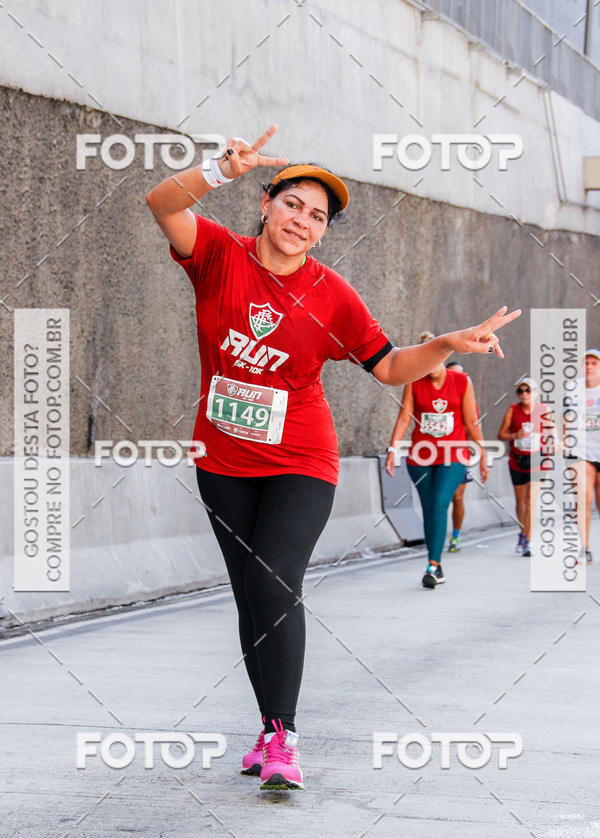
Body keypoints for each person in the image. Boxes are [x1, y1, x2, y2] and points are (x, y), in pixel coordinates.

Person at [146, 124, 520, 791]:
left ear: (321, 233)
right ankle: (267, 727)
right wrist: (217, 169)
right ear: (266, 204)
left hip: (301, 459)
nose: (303, 221)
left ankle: (285, 737)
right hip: (223, 460)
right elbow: (163, 204)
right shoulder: (218, 254)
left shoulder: (332, 295)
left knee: (273, 579)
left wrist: (448, 344)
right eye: (293, 205)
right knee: (250, 597)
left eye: (317, 217)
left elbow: (389, 366)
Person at [385, 334, 489, 588]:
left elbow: (471, 422)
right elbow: (404, 418)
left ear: (443, 356)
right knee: (430, 507)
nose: (426, 365)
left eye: (431, 358)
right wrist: (392, 449)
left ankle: (433, 564)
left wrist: (483, 454)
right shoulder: (414, 382)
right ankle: (435, 566)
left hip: (453, 454)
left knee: (441, 502)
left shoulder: (462, 381)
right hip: (420, 457)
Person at [497, 378, 545, 557]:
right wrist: (515, 435)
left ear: (536, 393)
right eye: (521, 391)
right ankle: (522, 531)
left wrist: (554, 441)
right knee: (521, 502)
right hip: (517, 461)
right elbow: (501, 434)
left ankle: (528, 539)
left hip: (538, 461)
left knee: (532, 500)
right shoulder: (513, 410)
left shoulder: (543, 410)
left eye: (528, 390)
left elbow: (553, 431)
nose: (524, 394)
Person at [444, 361, 477, 552]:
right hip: (435, 452)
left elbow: (473, 425)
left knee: (457, 496)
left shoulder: (467, 398)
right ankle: (438, 531)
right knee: (440, 498)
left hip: (459, 453)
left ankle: (455, 536)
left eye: (461, 375)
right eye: (453, 374)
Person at [580, 348, 600, 563]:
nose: (589, 367)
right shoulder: (574, 391)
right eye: (586, 363)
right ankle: (584, 547)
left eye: (594, 363)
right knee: (583, 499)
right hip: (582, 452)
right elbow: (563, 417)